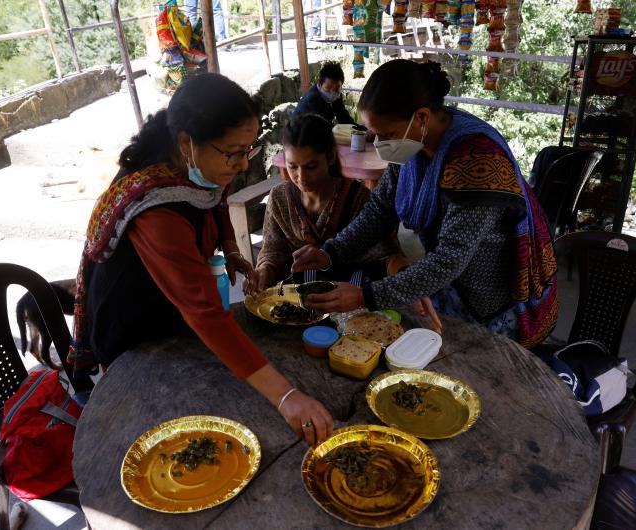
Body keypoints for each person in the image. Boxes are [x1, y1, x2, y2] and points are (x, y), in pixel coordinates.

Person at [68, 74, 333, 445]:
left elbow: (215, 198)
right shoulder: (155, 208)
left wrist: (232, 248)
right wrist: (286, 396)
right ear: (186, 144)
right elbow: (205, 310)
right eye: (233, 153)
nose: (242, 165)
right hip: (131, 317)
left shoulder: (202, 163)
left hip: (169, 309)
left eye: (249, 149)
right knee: (158, 419)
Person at [292, 59, 558, 348]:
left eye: (387, 134)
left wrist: (365, 296)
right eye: (373, 133)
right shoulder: (411, 144)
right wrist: (331, 253)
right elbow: (380, 211)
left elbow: (449, 259)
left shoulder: (476, 158)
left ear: (421, 117)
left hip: (491, 300)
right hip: (449, 286)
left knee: (479, 369)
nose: (379, 142)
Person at [246, 113, 404, 293]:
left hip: (351, 295)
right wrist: (265, 270)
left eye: (311, 167)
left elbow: (386, 254)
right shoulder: (280, 198)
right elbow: (274, 251)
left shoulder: (359, 199)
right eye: (292, 166)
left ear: (329, 157)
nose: (301, 177)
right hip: (297, 296)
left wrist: (402, 274)